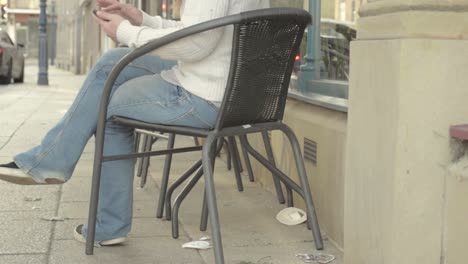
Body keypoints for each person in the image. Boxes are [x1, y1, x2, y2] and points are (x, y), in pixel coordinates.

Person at [0, 0, 269, 246]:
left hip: (205, 97)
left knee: (107, 104)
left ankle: (108, 222)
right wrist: (141, 19)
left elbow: (195, 44)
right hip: (237, 96)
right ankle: (52, 161)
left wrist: (126, 32)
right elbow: (197, 30)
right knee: (111, 63)